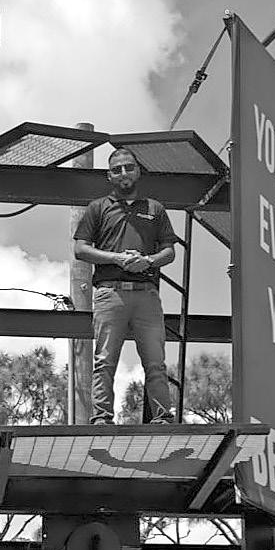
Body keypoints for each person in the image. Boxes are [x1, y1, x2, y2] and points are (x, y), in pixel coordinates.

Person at [74, 147, 176, 425]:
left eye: (128, 167)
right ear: (109, 176)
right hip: (110, 293)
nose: (123, 173)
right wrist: (117, 258)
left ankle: (163, 417)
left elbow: (169, 251)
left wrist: (148, 261)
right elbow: (80, 249)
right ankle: (102, 418)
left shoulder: (155, 209)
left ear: (138, 171)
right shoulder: (98, 208)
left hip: (146, 295)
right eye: (117, 169)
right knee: (105, 361)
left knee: (155, 362)